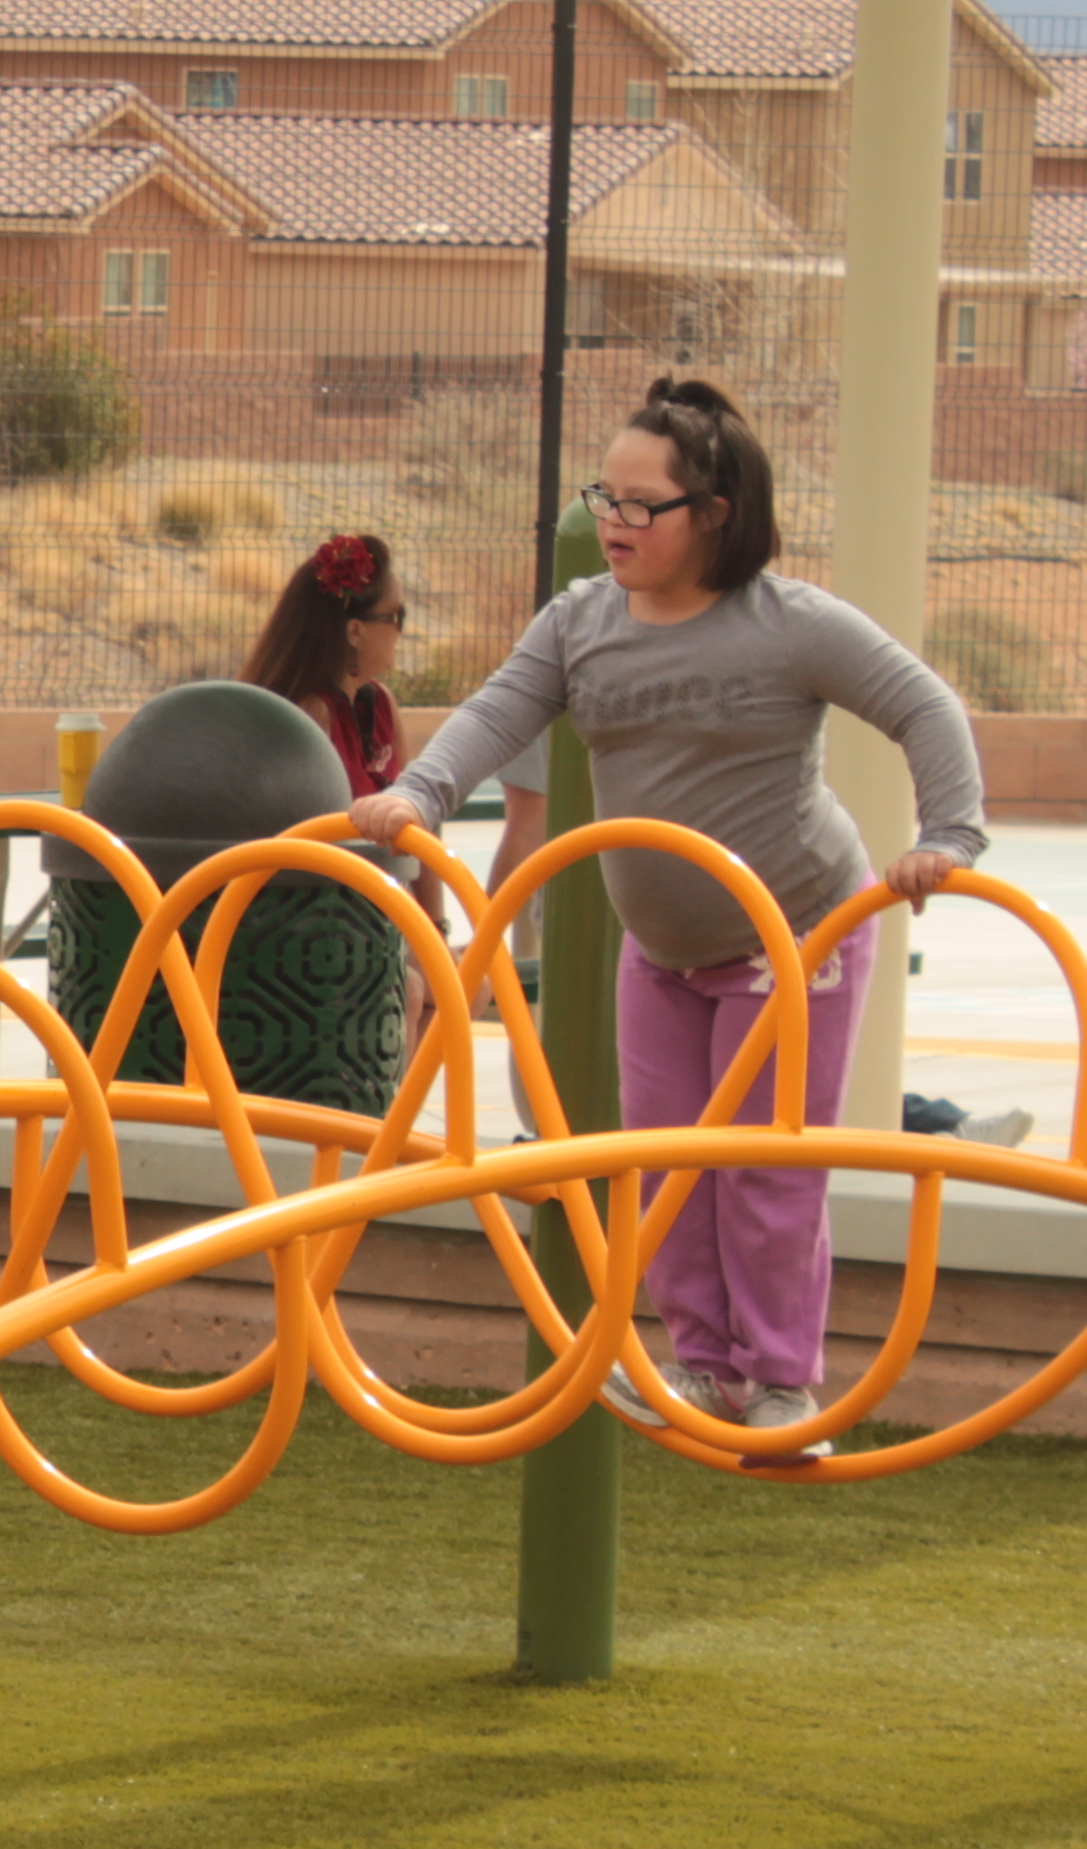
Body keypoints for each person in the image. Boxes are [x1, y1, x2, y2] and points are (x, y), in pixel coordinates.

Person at [353, 377, 991, 1453]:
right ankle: (702, 1367)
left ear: (716, 515)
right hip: (662, 951)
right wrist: (418, 793)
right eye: (608, 496)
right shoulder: (583, 622)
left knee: (766, 1167)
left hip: (794, 940)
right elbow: (500, 707)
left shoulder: (787, 626)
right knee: (663, 1166)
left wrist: (949, 837)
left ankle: (783, 1385)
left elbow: (924, 705)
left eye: (645, 505)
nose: (616, 522)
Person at [244, 530, 411, 802]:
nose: (400, 630)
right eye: (397, 616)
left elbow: (413, 805)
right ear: (355, 632)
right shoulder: (312, 715)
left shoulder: (381, 703)